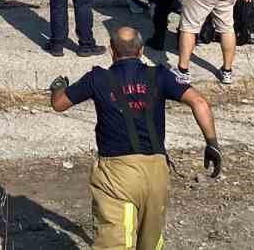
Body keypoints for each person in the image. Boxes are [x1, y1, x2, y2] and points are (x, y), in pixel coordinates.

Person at [49, 26, 222, 250]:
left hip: (117, 174)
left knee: (115, 243)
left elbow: (59, 104)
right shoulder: (159, 75)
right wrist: (212, 144)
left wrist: (58, 86)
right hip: (157, 171)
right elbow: (200, 102)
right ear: (141, 51)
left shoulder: (98, 78)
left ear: (112, 50)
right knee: (150, 243)